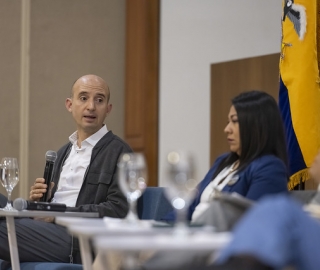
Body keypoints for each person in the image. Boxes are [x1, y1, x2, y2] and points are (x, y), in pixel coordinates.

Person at [0, 74, 132, 263]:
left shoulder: (120, 152)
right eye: (84, 98)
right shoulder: (62, 153)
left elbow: (119, 211)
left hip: (76, 241)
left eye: (99, 100)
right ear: (70, 105)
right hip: (47, 231)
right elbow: (49, 208)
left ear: (108, 109)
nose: (91, 107)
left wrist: (56, 216)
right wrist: (39, 201)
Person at [164, 90, 289, 223]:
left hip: (220, 241)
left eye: (234, 121)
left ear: (256, 125)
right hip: (194, 237)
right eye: (228, 121)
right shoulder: (222, 161)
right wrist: (160, 227)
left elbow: (252, 223)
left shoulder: (269, 167)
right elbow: (188, 206)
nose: (227, 129)